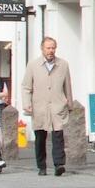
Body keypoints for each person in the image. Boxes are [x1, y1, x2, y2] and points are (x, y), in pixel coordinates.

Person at [22, 36, 73, 177]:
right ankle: (42, 166)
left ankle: (59, 165)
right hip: (40, 106)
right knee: (40, 137)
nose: (51, 51)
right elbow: (26, 86)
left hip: (58, 105)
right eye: (48, 48)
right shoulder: (33, 65)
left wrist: (69, 103)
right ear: (42, 49)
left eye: (53, 48)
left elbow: (67, 85)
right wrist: (27, 104)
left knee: (58, 136)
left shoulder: (63, 64)